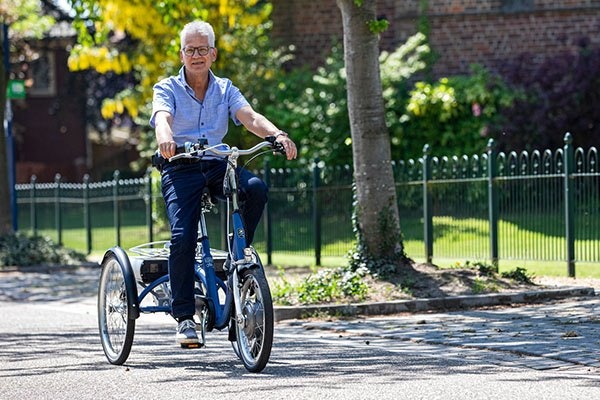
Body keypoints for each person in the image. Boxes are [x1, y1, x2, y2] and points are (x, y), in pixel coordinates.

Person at [150, 20, 297, 346]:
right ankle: (185, 317)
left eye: (202, 49)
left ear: (213, 54)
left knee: (256, 187)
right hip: (179, 166)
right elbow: (163, 117)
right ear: (182, 54)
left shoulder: (225, 89)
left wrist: (277, 134)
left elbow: (250, 117)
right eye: (190, 50)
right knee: (183, 236)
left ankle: (240, 257)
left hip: (217, 164)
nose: (196, 55)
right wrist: (166, 139)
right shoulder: (167, 88)